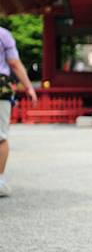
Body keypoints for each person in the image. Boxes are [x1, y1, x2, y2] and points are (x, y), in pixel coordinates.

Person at [0, 26, 38, 197]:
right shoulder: (3, 34)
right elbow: (14, 63)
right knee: (0, 136)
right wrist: (29, 87)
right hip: (0, 88)